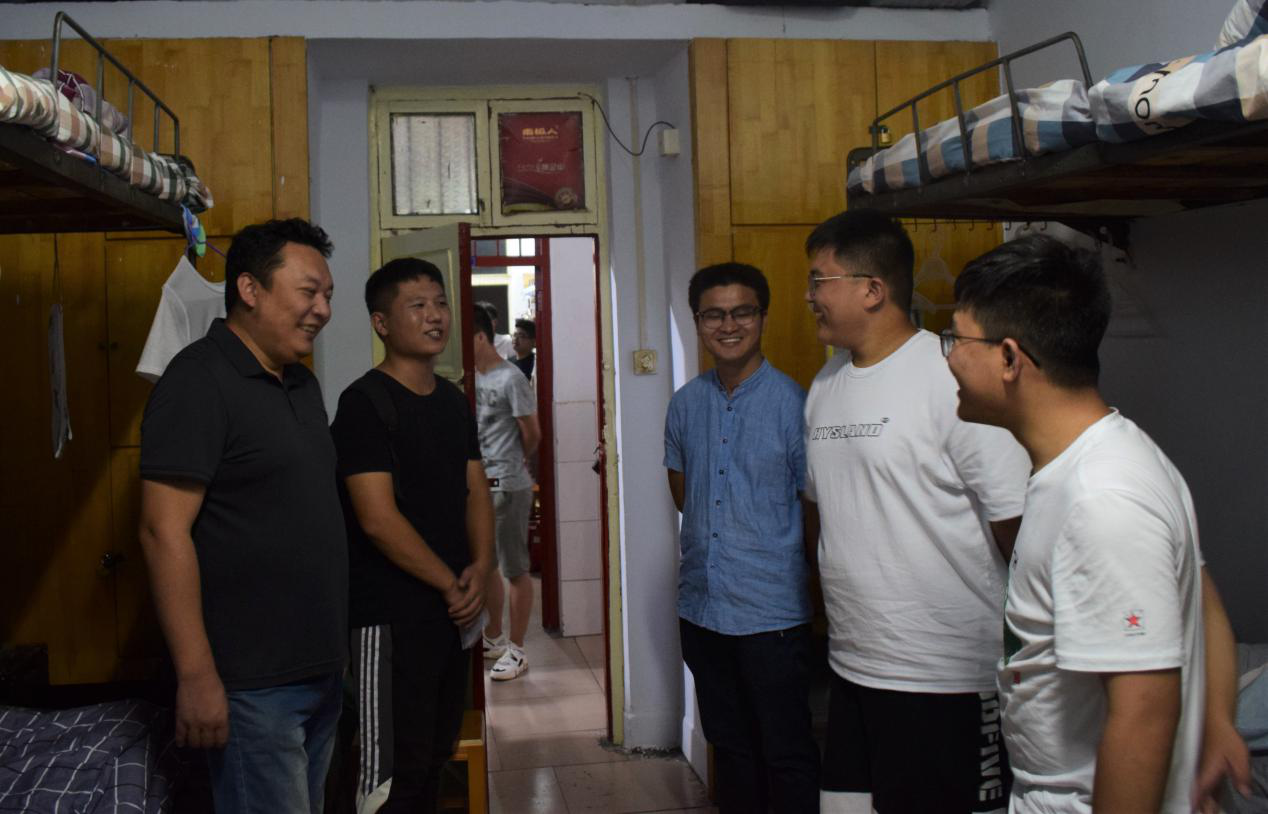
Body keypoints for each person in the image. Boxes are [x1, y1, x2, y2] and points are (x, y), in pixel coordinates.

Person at [945, 234, 1250, 814]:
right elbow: (1202, 598)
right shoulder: (1094, 461)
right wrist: (1217, 723)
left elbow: (1143, 715)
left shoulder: (1101, 498)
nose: (949, 358)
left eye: (956, 339)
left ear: (1009, 359)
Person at [802, 210, 1031, 814]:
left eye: (820, 281)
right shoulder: (826, 383)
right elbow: (823, 509)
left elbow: (1018, 528)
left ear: (872, 289)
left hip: (945, 674)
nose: (810, 296)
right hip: (853, 665)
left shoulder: (952, 377)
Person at [138, 218, 346, 814]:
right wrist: (197, 676)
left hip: (319, 671)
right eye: (309, 292)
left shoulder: (300, 382)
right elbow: (161, 530)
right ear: (250, 289)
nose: (323, 309)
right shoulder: (197, 381)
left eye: (327, 294)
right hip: (252, 685)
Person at [330, 257, 495, 811]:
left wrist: (482, 567)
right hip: (390, 618)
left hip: (451, 616)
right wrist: (451, 584)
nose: (435, 316)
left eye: (440, 303)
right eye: (418, 306)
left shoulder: (452, 400)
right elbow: (377, 519)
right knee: (389, 775)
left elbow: (476, 489)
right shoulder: (364, 403)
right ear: (381, 323)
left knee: (433, 758)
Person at [664, 262, 820, 813]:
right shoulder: (684, 404)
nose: (728, 325)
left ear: (763, 317)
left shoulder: (796, 405)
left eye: (742, 312)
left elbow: (814, 511)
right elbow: (684, 494)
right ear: (697, 321)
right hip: (702, 611)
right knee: (729, 749)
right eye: (714, 314)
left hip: (772, 615)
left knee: (786, 752)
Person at [474, 305, 541, 681]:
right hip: (479, 486)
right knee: (486, 565)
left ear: (481, 336)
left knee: (515, 569)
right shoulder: (471, 378)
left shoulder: (510, 377)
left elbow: (532, 433)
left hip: (508, 485)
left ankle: (517, 650)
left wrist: (513, 461)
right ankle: (493, 637)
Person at [511, 317, 536, 382]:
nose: (515, 338)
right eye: (514, 335)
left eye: (521, 336)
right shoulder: (509, 362)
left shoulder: (535, 364)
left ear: (534, 342)